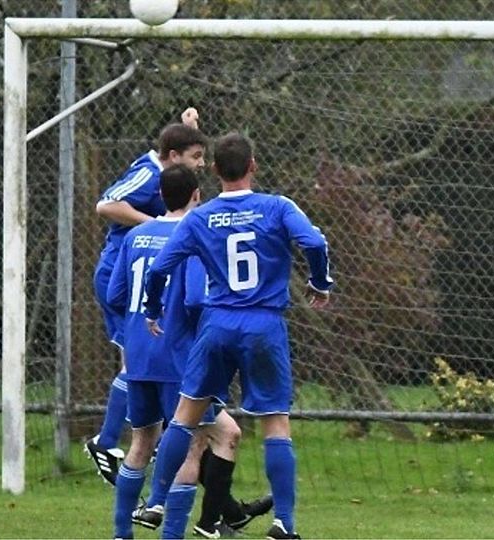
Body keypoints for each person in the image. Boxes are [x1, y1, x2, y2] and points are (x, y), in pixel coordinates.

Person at [137, 132, 332, 540]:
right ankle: (284, 525)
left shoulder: (199, 217)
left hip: (217, 324)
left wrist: (153, 309)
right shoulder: (277, 207)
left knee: (185, 418)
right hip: (263, 324)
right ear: (253, 166)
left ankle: (156, 502)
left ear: (212, 170)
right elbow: (314, 240)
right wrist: (320, 281)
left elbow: (159, 269)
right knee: (275, 423)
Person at [106, 164, 273, 539]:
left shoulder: (137, 235)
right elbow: (196, 298)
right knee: (192, 443)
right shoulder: (194, 236)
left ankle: (121, 533)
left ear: (160, 196)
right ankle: (175, 532)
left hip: (137, 357)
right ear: (197, 194)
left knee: (140, 442)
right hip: (178, 355)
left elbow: (115, 294)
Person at [86, 109, 207, 485]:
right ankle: (106, 442)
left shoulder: (169, 167)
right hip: (122, 276)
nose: (201, 165)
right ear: (172, 156)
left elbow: (179, 158)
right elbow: (106, 204)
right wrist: (152, 225)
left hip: (142, 277)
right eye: (196, 157)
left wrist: (190, 131)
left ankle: (134, 441)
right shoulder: (147, 174)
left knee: (140, 357)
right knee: (136, 357)